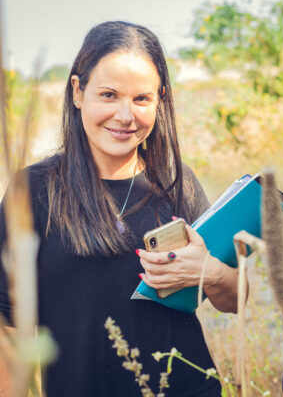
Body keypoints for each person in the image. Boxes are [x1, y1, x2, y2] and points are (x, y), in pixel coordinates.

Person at [0, 21, 243, 397]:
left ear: (160, 99)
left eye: (142, 99)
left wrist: (209, 271)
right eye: (109, 95)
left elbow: (234, 299)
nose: (126, 116)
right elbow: (8, 319)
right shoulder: (33, 190)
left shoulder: (177, 184)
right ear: (78, 92)